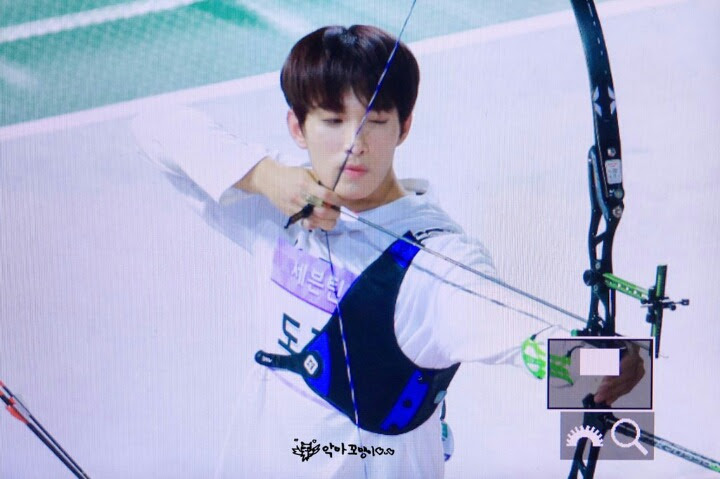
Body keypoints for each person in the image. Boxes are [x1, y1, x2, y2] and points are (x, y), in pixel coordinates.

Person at [132, 24, 643, 479]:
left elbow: (517, 334)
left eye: (374, 121)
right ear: (297, 127)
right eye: (333, 120)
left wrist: (608, 363)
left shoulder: (436, 262)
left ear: (404, 126)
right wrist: (263, 175)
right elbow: (152, 124)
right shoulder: (278, 199)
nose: (354, 143)